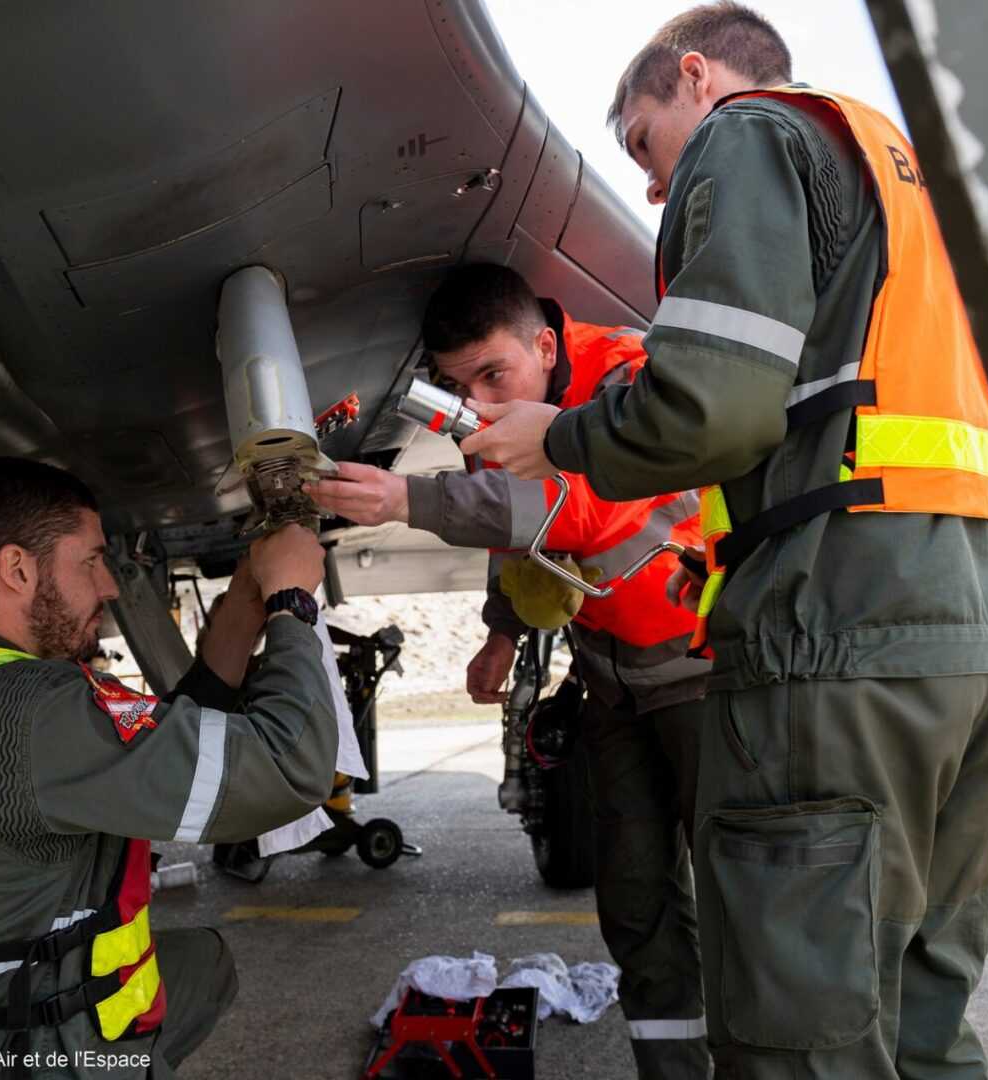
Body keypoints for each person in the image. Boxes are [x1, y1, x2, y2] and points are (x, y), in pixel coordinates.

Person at [459, 6, 988, 1079]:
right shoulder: (889, 168)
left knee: (799, 1029)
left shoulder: (749, 132)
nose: (652, 188)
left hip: (836, 630)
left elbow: (711, 410)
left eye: (644, 145)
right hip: (957, 626)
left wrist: (554, 436)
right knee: (921, 1020)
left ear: (697, 77)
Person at [307, 263, 712, 1079]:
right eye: (459, 386)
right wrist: (501, 631)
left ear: (546, 347)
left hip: (703, 672)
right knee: (635, 904)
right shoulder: (487, 418)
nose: (478, 402)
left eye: (494, 375)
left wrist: (407, 500)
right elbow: (512, 528)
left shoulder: (632, 377)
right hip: (612, 683)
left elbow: (579, 511)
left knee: (744, 901)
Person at [0, 457, 335, 1080]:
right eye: (91, 561)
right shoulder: (35, 710)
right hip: (21, 1054)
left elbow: (155, 740)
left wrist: (247, 608)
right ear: (17, 569)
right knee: (201, 967)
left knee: (203, 963)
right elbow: (289, 765)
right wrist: (292, 604)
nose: (109, 586)